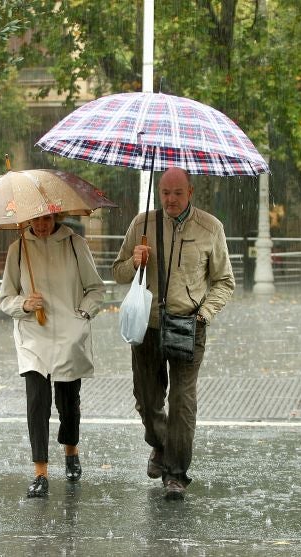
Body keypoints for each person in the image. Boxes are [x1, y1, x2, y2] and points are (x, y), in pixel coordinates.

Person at [112, 167, 235, 501]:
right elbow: (118, 272)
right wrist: (134, 262)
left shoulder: (210, 228)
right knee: (147, 399)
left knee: (182, 401)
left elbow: (224, 281)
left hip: (188, 325)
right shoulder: (142, 224)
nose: (170, 199)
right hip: (147, 325)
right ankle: (160, 443)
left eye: (178, 193)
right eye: (165, 192)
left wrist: (205, 314)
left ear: (190, 192)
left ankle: (176, 474)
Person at [0, 213, 106, 497]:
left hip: (69, 333)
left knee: (68, 402)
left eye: (46, 219)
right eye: (35, 220)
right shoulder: (18, 249)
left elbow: (96, 289)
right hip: (33, 335)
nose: (41, 225)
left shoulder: (74, 244)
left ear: (56, 216)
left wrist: (82, 315)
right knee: (37, 402)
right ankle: (40, 473)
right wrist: (24, 303)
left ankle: (71, 450)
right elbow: (5, 298)